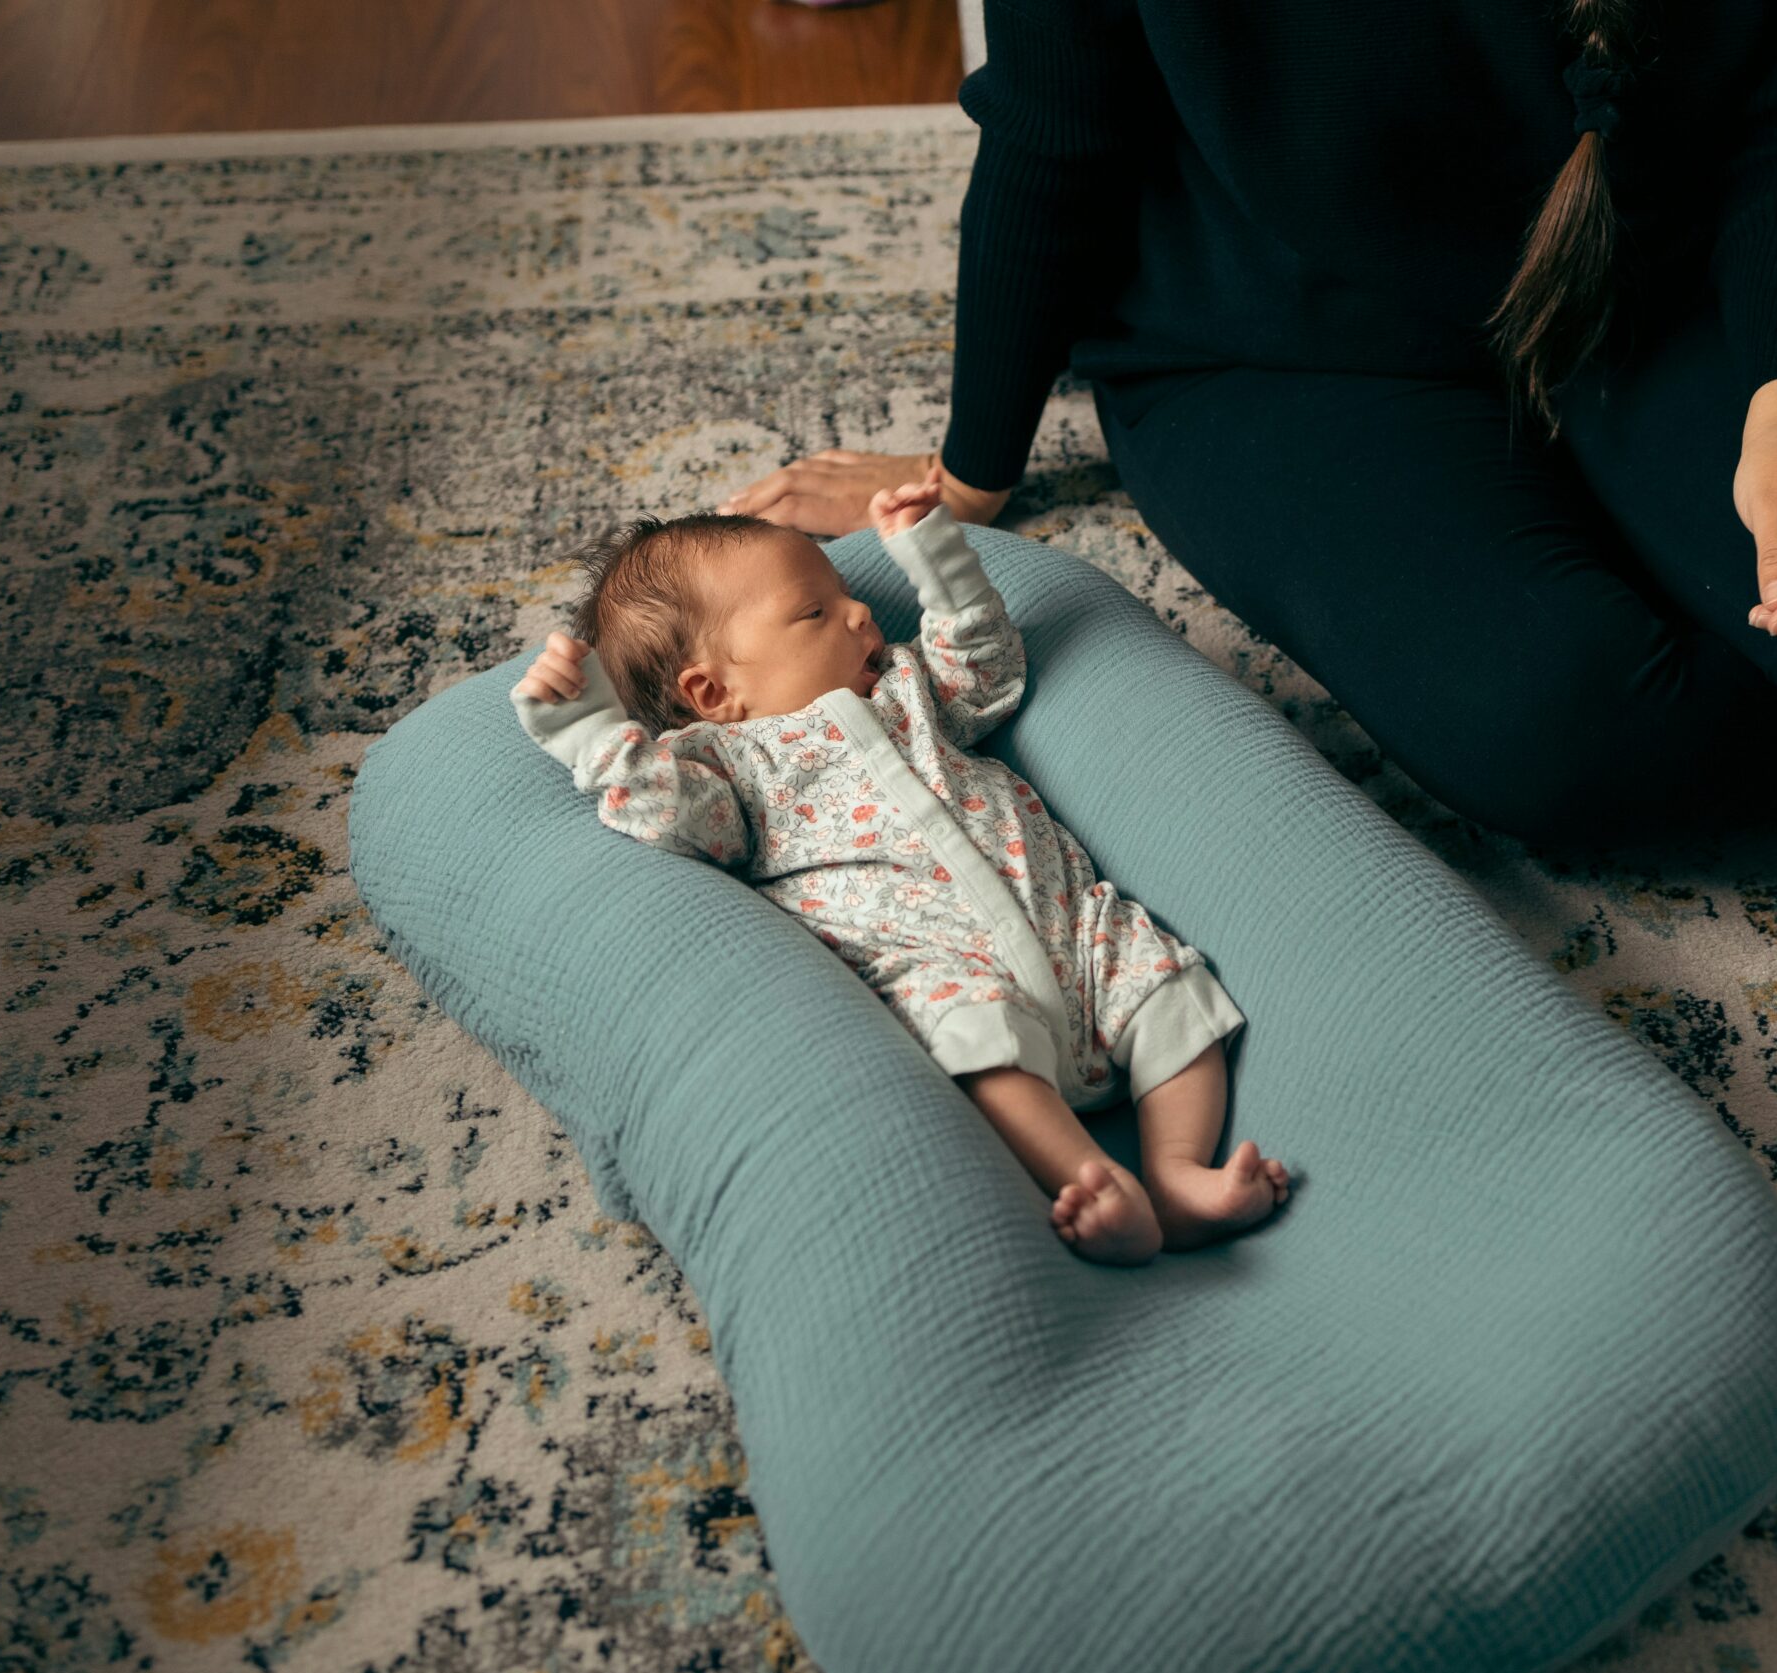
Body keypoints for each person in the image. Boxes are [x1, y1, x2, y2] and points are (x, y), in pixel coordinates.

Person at [713, 0, 1777, 1440]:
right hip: (1275, 337)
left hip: (1660, 270)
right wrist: (974, 465)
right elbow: (1061, 118)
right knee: (1572, 739)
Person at [509, 479, 1287, 1265]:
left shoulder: (908, 689)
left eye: (846, 594)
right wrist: (592, 735)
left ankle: (1177, 1172)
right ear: (714, 692)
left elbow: (987, 672)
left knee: (1167, 981)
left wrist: (938, 558)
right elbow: (672, 820)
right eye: (814, 612)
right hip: (941, 965)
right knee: (975, 1044)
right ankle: (1093, 1179)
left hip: (1071, 925)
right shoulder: (723, 765)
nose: (857, 614)